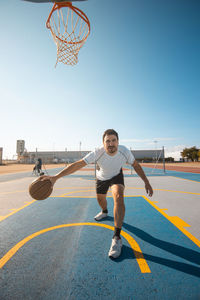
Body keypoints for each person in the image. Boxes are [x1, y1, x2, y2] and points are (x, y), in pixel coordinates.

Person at [45, 129, 153, 259]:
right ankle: (105, 211)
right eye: (108, 141)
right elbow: (78, 165)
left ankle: (117, 237)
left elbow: (136, 165)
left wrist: (146, 181)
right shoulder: (98, 152)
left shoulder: (124, 151)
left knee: (119, 197)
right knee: (101, 200)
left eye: (114, 140)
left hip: (116, 176)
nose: (111, 143)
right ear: (103, 143)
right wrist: (56, 177)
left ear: (118, 142)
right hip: (101, 177)